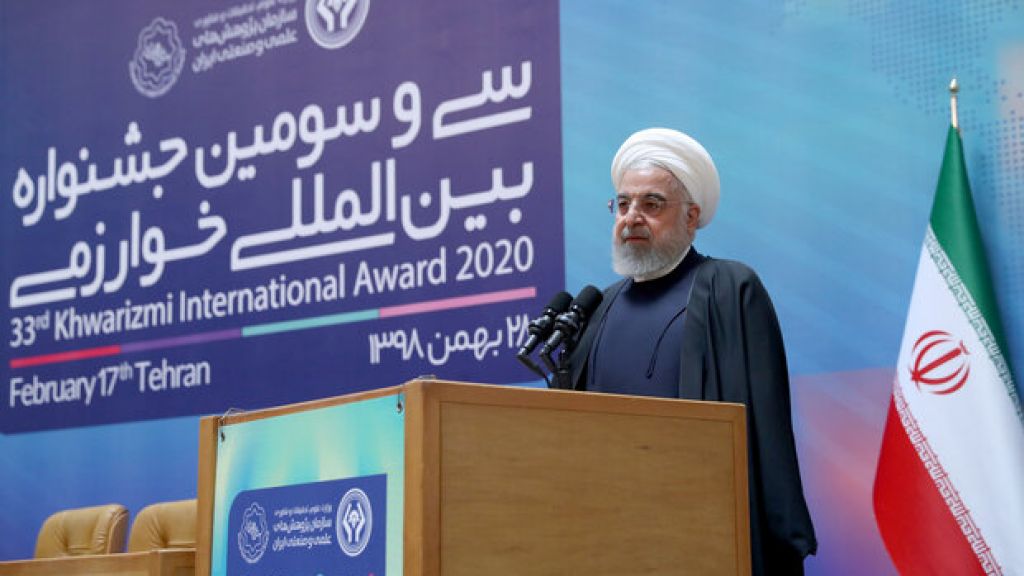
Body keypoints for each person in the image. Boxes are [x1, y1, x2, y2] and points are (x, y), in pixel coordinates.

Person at [558, 127, 817, 575]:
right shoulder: (598, 308)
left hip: (699, 536)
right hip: (605, 538)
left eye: (652, 204)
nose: (632, 217)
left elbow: (765, 430)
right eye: (623, 204)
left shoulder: (728, 289)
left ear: (692, 216)